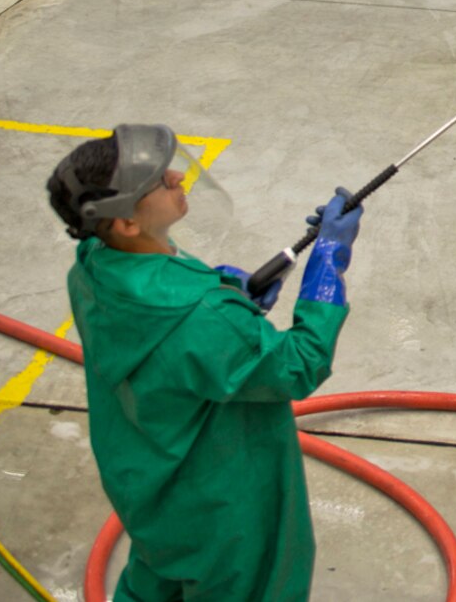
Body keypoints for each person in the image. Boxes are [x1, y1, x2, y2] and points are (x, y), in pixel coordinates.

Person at [48, 124, 361, 602]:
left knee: (159, 579)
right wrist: (329, 260)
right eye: (157, 181)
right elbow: (299, 365)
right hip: (223, 505)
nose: (177, 176)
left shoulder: (92, 263)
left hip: (149, 484)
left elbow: (162, 328)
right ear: (127, 223)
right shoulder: (201, 319)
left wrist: (225, 291)